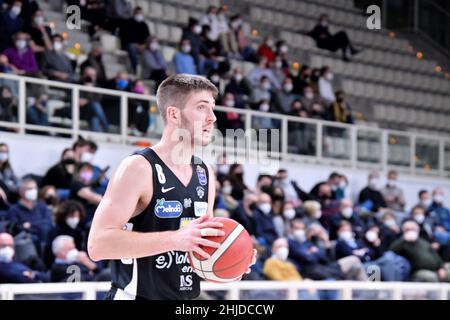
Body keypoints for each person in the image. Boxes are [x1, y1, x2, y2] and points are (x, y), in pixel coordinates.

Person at [88, 74, 256, 300]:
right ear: (174, 114)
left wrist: (229, 260)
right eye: (201, 108)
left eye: (213, 109)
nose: (212, 118)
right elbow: (98, 245)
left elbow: (200, 252)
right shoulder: (138, 167)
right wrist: (175, 239)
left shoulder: (205, 173)